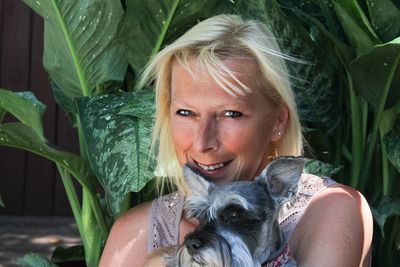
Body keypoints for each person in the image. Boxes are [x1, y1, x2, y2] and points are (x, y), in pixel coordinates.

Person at [99, 14, 373, 266]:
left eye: (231, 114)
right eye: (186, 112)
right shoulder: (137, 231)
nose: (202, 142)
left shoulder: (330, 211)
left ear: (278, 121)